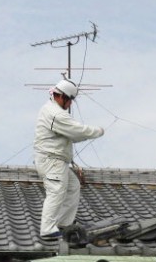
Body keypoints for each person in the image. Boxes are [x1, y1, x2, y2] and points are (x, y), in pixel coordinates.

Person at [33, 78, 105, 239]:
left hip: (56, 161)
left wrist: (86, 134)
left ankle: (63, 224)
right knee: (56, 191)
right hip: (51, 160)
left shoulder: (53, 110)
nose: (71, 104)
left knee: (73, 187)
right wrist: (98, 131)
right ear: (62, 97)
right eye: (70, 100)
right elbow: (77, 131)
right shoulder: (55, 114)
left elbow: (74, 135)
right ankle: (47, 229)